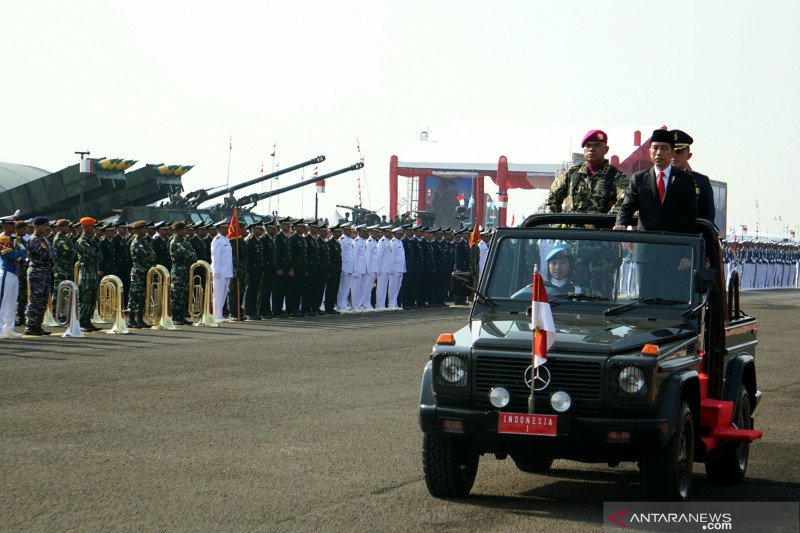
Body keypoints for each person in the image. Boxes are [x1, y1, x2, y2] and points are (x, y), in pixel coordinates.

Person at [614, 129, 697, 300]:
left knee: (672, 301)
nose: (659, 152)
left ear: (672, 152)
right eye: (655, 148)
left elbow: (691, 218)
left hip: (674, 254)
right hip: (646, 254)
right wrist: (621, 222)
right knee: (646, 301)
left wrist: (687, 254)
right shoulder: (639, 178)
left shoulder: (685, 180)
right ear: (650, 152)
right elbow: (627, 206)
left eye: (664, 148)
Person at [545, 129, 628, 214]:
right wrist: (557, 224)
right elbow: (551, 201)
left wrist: (609, 220)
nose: (591, 149)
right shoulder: (571, 174)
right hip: (572, 226)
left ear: (606, 150)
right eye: (588, 145)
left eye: (597, 145)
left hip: (602, 226)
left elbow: (626, 200)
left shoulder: (616, 176)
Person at [670, 129, 716, 223]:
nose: (674, 155)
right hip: (660, 237)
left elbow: (708, 219)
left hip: (689, 236)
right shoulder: (654, 180)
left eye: (679, 151)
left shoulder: (701, 182)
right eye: (671, 151)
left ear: (689, 155)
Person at [24, 216, 54, 335]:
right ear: (37, 226)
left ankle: (37, 325)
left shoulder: (43, 239)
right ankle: (31, 325)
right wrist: (52, 254)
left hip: (44, 271)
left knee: (43, 300)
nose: (47, 228)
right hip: (37, 272)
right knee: (35, 299)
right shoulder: (35, 239)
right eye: (45, 225)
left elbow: (52, 253)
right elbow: (47, 255)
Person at [75, 217, 103, 332]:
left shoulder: (92, 241)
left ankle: (88, 320)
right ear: (85, 227)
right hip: (86, 273)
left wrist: (97, 254)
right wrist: (96, 254)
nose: (94, 229)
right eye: (92, 227)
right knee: (85, 298)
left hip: (93, 273)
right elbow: (93, 256)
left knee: (92, 298)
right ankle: (82, 321)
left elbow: (100, 256)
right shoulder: (81, 242)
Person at [127, 220, 155, 329]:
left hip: (145, 272)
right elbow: (145, 256)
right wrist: (149, 256)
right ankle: (131, 319)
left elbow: (153, 255)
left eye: (145, 228)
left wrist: (149, 256)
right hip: (138, 272)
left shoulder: (144, 241)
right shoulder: (136, 242)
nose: (145, 230)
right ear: (137, 230)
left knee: (143, 296)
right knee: (135, 296)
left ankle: (139, 318)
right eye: (143, 228)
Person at [1, 223, 26, 338]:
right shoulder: (3, 238)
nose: (13, 228)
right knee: (3, 301)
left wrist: (20, 253)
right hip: (6, 271)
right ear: (5, 226)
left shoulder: (13, 239)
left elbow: (19, 256)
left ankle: (8, 328)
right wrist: (22, 251)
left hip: (14, 272)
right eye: (11, 225)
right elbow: (12, 255)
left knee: (11, 302)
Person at [168, 221, 196, 325]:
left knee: (183, 295)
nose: (185, 231)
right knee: (176, 295)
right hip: (178, 272)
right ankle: (175, 317)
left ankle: (181, 316)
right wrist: (189, 255)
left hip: (185, 271)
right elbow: (186, 254)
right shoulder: (174, 242)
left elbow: (193, 255)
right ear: (177, 231)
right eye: (183, 229)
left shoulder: (185, 241)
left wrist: (189, 255)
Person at [211, 219, 233, 322]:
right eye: (225, 228)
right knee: (218, 294)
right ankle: (216, 315)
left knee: (223, 293)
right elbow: (215, 257)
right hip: (219, 273)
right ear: (219, 229)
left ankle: (219, 314)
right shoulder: (217, 240)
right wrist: (216, 272)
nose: (227, 229)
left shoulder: (226, 240)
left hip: (227, 271)